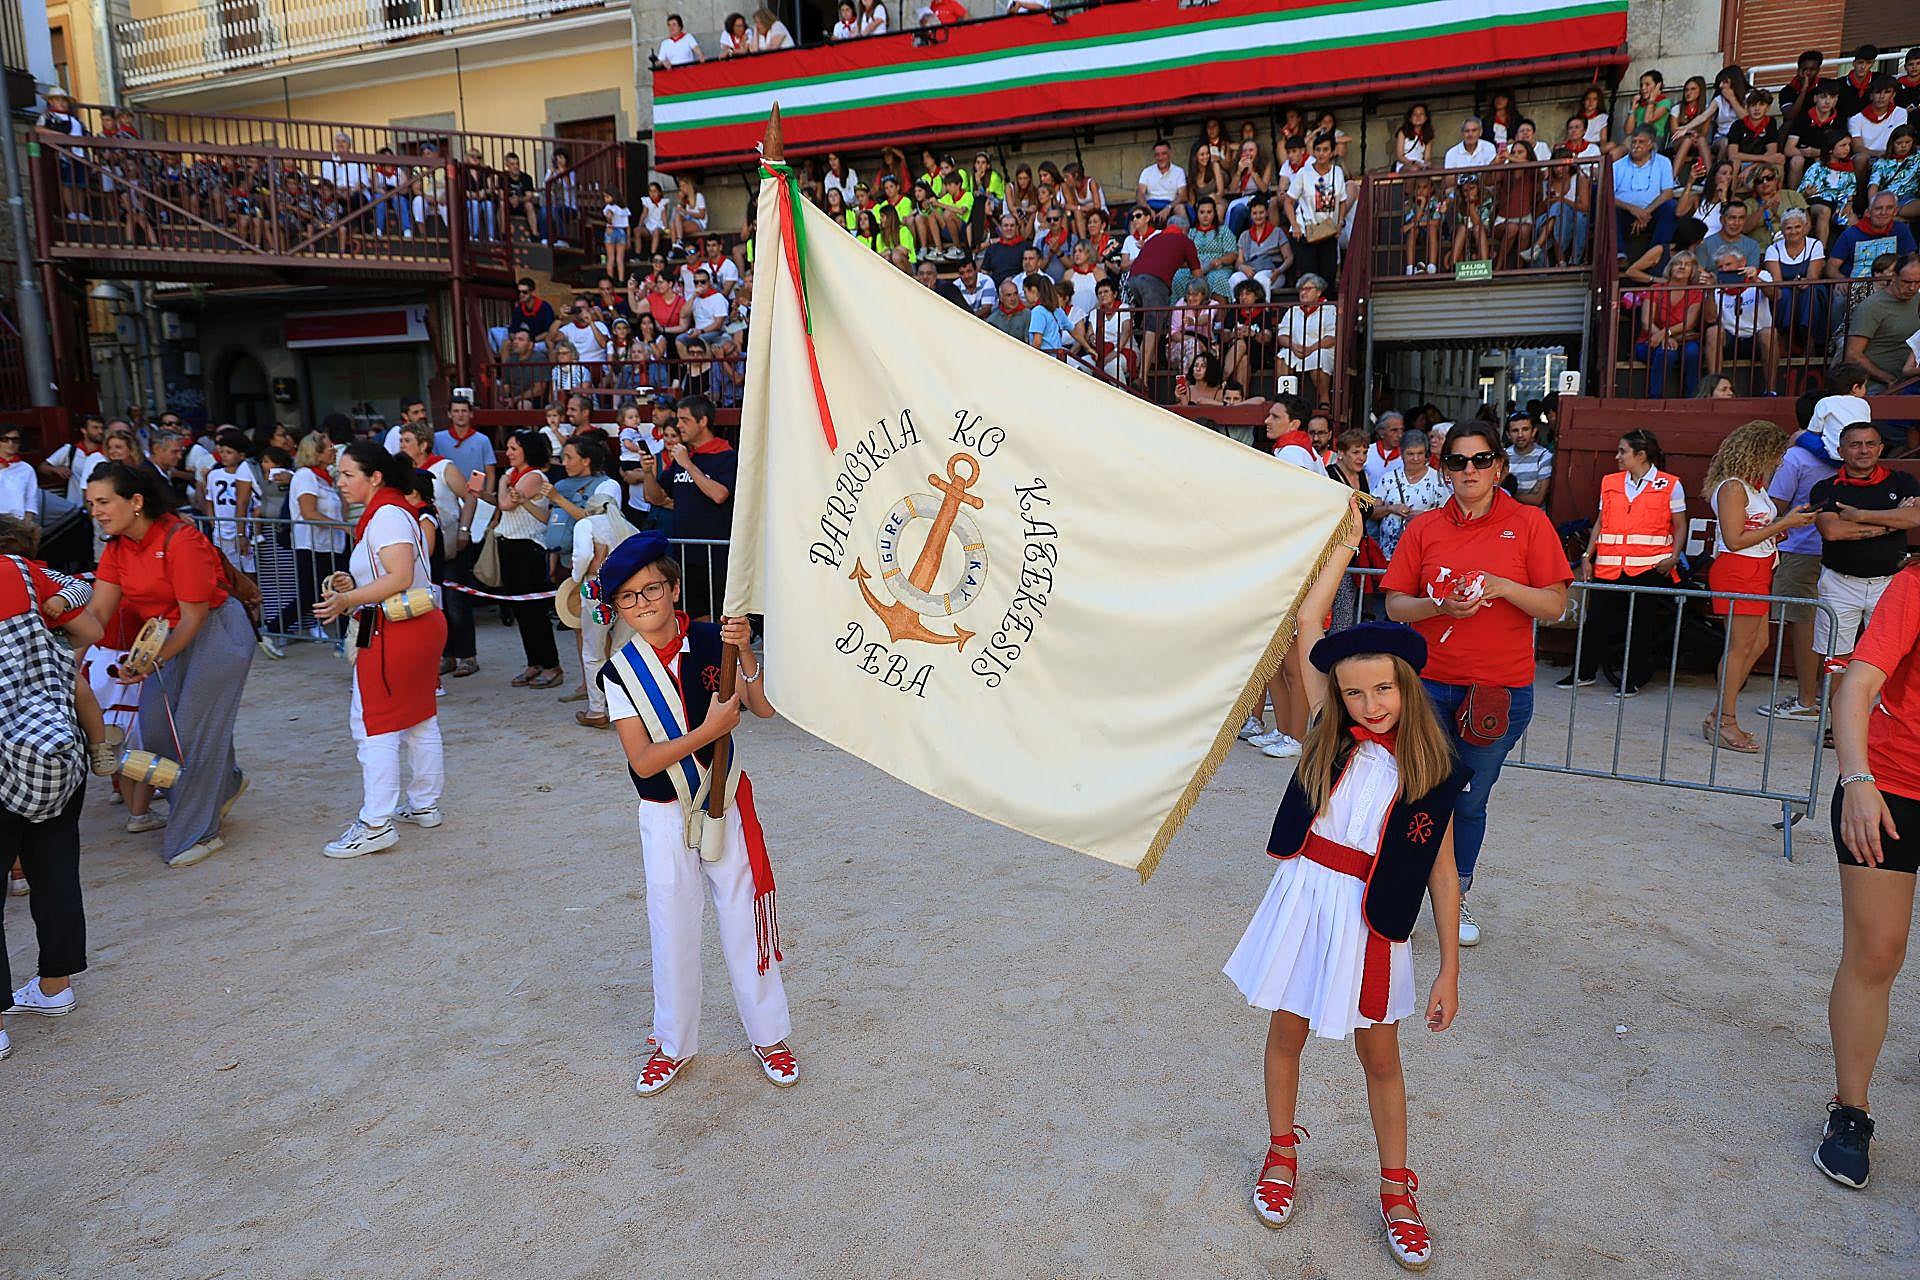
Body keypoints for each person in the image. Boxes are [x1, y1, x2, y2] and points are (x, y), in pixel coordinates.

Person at [1223, 622, 1463, 1268]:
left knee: (1380, 1055)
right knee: (1286, 1032)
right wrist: (1342, 527)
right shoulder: (1326, 733)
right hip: (1305, 902)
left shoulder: (1433, 769)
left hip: (1371, 919)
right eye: (1354, 692)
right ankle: (1280, 1151)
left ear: (1406, 685)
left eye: (1383, 688)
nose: (1370, 704)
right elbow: (1308, 624)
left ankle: (1396, 1189)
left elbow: (1442, 873)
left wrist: (1449, 970)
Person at [594, 532, 796, 1095]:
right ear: (619, 609)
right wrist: (707, 733)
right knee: (672, 926)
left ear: (674, 588)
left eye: (652, 589)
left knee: (742, 917)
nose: (644, 604)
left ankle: (768, 1034)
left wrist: (748, 651)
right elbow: (642, 758)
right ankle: (673, 1044)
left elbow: (762, 708)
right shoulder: (618, 674)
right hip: (663, 813)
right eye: (629, 598)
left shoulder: (714, 640)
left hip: (723, 799)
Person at [1381, 423, 1572, 946]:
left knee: (1468, 800)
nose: (1470, 470)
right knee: (1415, 793)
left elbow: (1555, 605)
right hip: (1427, 686)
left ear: (1500, 467)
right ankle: (1397, 892)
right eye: (1459, 462)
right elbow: (1396, 604)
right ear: (1445, 471)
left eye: (1481, 460)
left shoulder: (1529, 523)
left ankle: (1454, 897)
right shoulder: (1424, 529)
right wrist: (1440, 606)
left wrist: (1506, 586)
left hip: (1498, 692)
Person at [86, 463, 255, 868]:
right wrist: (62, 658)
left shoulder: (183, 539)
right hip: (164, 639)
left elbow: (194, 618)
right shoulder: (117, 547)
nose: (96, 511)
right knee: (159, 732)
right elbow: (97, 614)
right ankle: (225, 784)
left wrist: (148, 662)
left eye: (104, 502)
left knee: (195, 737)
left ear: (136, 502)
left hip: (217, 634)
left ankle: (198, 832)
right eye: (91, 503)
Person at [1820, 553, 1920, 1189]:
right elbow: (1856, 684)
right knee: (1876, 954)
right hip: (1892, 789)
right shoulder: (1913, 587)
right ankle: (1850, 1111)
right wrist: (1857, 781)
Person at [312, 443, 446, 859]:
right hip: (414, 624)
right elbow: (399, 573)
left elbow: (401, 574)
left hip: (396, 630)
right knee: (418, 717)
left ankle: (375, 823)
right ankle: (423, 804)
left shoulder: (385, 515)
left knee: (375, 725)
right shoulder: (390, 512)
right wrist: (354, 588)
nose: (340, 481)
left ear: (375, 478)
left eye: (348, 474)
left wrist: (347, 601)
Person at [0, 541, 103, 1056]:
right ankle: (54, 987)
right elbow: (92, 630)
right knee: (56, 868)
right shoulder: (22, 571)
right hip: (51, 742)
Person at [1701, 420, 1817, 753]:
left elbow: (1751, 533)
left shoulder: (1752, 487)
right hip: (1739, 570)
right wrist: (1785, 523)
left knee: (1755, 644)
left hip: (1757, 567)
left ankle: (1719, 715)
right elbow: (1735, 540)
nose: (1780, 461)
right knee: (1740, 647)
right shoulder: (1733, 487)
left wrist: (1785, 523)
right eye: (1778, 454)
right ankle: (1725, 720)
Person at [1564, 430, 1686, 695]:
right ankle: (1583, 672)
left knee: (1641, 625)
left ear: (1641, 455)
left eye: (1623, 451)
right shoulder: (1610, 482)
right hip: (1609, 565)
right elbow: (1600, 521)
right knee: (1595, 620)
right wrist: (1588, 555)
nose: (1617, 456)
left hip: (1649, 567)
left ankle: (1634, 678)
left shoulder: (1670, 484)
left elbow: (1680, 525)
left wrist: (1673, 558)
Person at [1758, 393, 1843, 722]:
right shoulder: (1848, 451)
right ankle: (1833, 698)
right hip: (1838, 549)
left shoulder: (1796, 457)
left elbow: (1775, 506)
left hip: (1800, 549)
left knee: (1804, 624)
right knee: (1837, 624)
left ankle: (1807, 699)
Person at [1809, 422, 1920, 666]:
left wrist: (1859, 515)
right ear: (1841, 451)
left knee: (1889, 657)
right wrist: (1892, 521)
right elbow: (1833, 531)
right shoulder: (1826, 488)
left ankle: (1879, 706)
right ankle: (1833, 706)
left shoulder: (1901, 481)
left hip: (1890, 583)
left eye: (1870, 444)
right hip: (1840, 584)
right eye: (1855, 445)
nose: (1863, 450)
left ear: (1880, 448)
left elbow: (1915, 517)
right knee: (1835, 660)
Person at [644, 395, 735, 621]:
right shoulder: (685, 456)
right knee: (691, 617)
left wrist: (687, 465)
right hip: (684, 554)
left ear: (703, 421)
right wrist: (647, 472)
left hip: (716, 555)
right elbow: (655, 497)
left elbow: (719, 494)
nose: (679, 426)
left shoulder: (727, 456)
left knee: (720, 618)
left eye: (684, 420)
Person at [483, 431, 561, 689]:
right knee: (521, 609)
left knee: (535, 610)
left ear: (527, 450)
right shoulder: (517, 477)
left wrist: (503, 479)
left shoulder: (533, 477)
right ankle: (534, 661)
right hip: (510, 545)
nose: (509, 453)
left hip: (528, 547)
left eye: (514, 448)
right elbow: (503, 503)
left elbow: (506, 504)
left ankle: (551, 664)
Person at [1371, 429, 1448, 562]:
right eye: (1410, 454)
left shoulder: (1437, 480)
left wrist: (1424, 517)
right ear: (1401, 454)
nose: (1416, 458)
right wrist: (1391, 509)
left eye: (1420, 453)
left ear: (1426, 454)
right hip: (1388, 556)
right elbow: (1371, 512)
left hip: (1423, 554)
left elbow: (1448, 515)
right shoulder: (1388, 478)